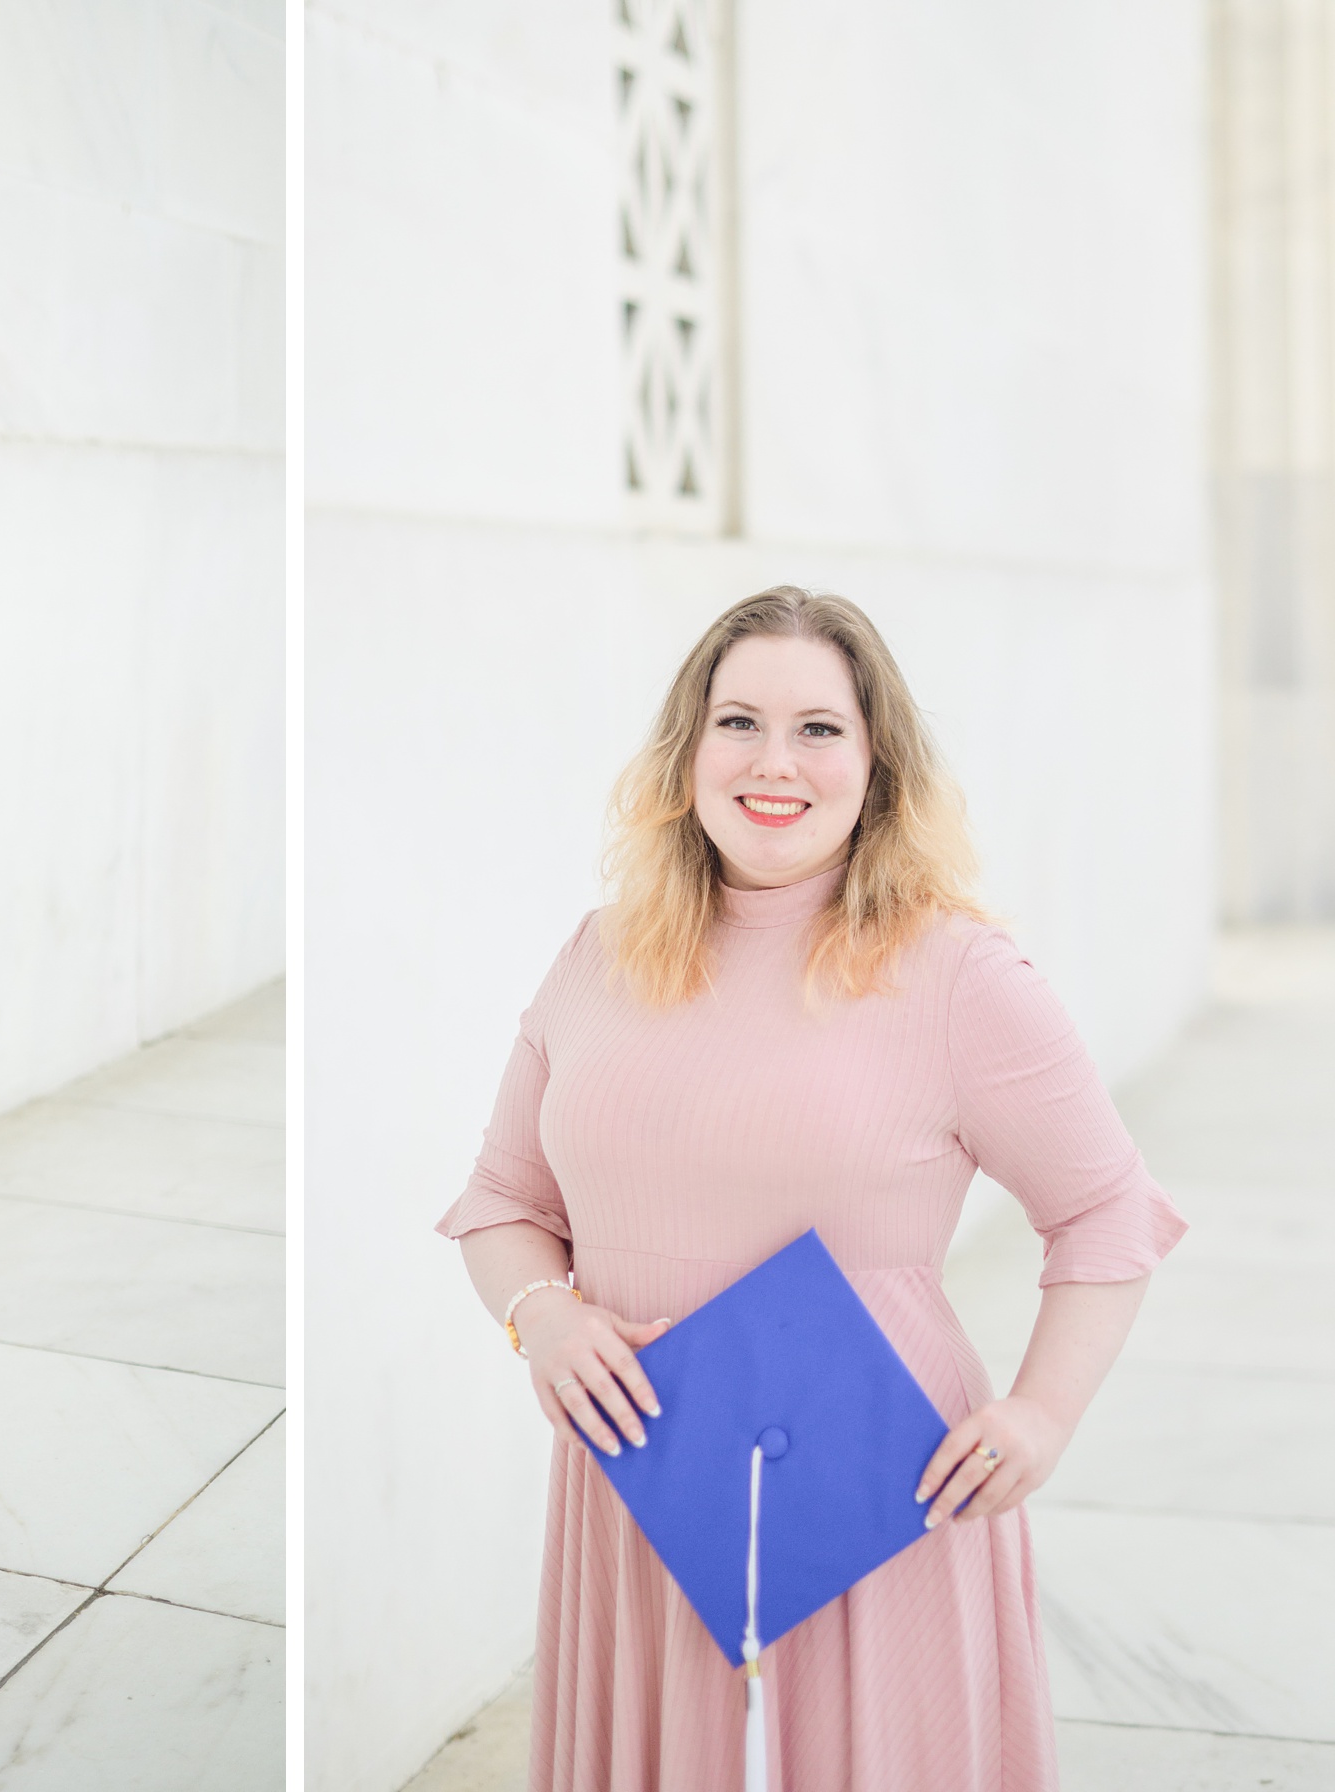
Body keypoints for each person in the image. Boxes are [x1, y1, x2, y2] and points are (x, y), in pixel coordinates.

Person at [440, 586, 1185, 1790]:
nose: (773, 761)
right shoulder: (597, 952)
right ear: (688, 751)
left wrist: (1042, 1413)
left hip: (873, 1497)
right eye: (737, 721)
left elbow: (1107, 1207)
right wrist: (545, 1315)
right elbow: (498, 1201)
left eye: (819, 728)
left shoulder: (956, 972)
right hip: (640, 1485)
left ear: (877, 759)